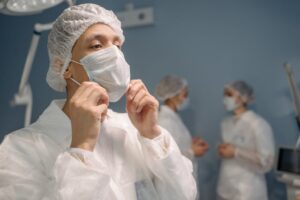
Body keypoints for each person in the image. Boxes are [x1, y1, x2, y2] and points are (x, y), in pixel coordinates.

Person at [0, 4, 196, 200]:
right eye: (96, 45)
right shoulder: (20, 148)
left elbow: (182, 195)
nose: (114, 56)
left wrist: (152, 134)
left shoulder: (134, 130)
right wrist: (82, 147)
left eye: (117, 46)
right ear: (64, 66)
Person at [217, 80, 275, 200]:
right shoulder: (225, 123)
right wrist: (222, 150)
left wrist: (236, 152)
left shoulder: (258, 124)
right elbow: (227, 148)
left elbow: (267, 160)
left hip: (249, 190)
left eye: (229, 94)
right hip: (226, 186)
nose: (225, 98)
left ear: (243, 98)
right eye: (224, 94)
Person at [155, 75, 209, 199]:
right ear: (173, 96)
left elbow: (176, 145)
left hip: (180, 182)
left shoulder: (173, 118)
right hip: (173, 187)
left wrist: (191, 143)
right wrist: (192, 151)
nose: (186, 99)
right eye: (185, 94)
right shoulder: (165, 121)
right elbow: (164, 157)